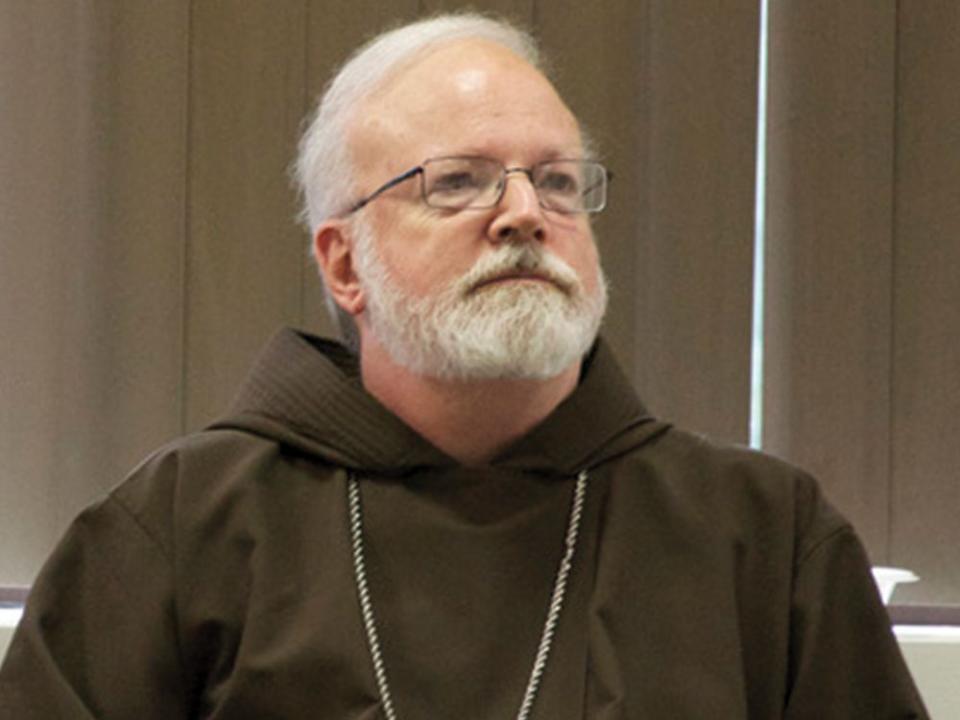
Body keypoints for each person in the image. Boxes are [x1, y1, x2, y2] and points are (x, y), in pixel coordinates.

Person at [0, 13, 928, 719]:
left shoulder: (764, 539)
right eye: (458, 181)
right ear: (343, 262)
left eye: (557, 180)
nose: (524, 212)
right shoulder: (176, 531)